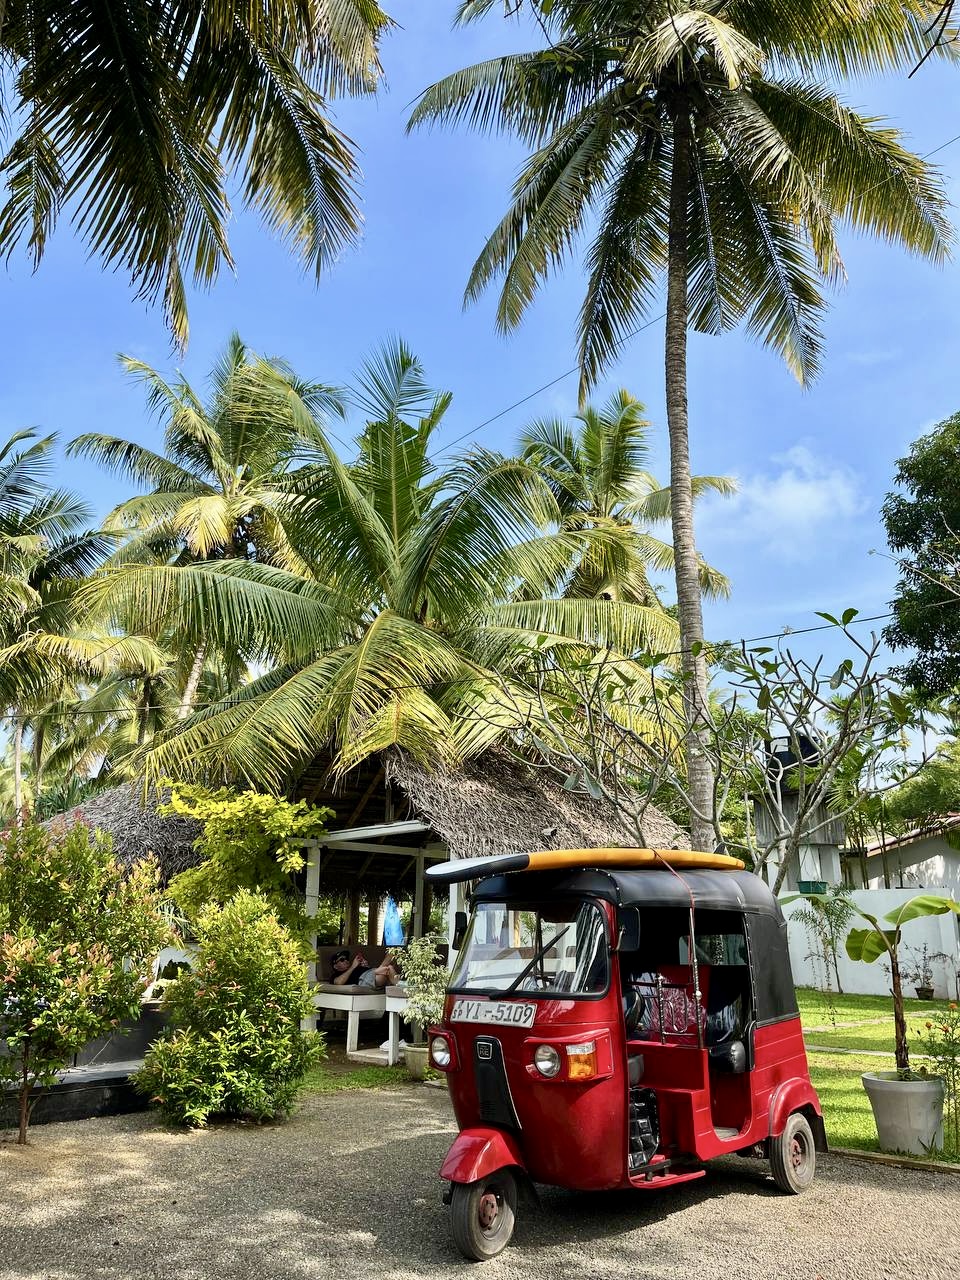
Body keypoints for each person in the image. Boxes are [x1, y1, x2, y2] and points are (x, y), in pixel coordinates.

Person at [330, 948, 400, 989]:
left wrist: (365, 967)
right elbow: (339, 982)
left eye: (347, 959)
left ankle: (402, 989)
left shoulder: (356, 968)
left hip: (372, 974)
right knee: (391, 954)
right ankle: (404, 988)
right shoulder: (335, 975)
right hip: (364, 979)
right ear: (335, 966)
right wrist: (353, 966)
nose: (346, 960)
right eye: (342, 960)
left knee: (390, 966)